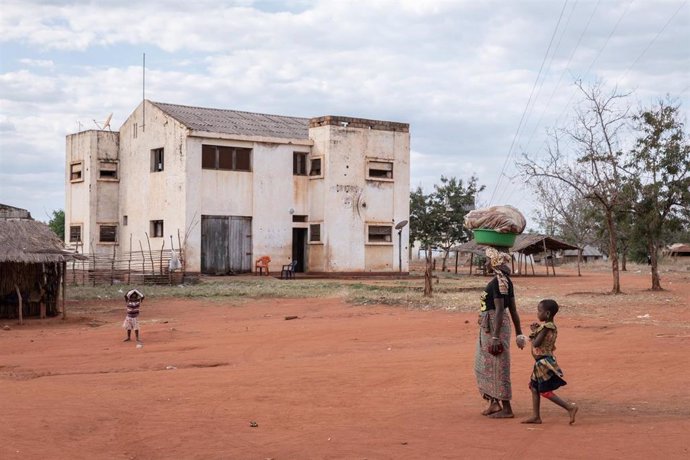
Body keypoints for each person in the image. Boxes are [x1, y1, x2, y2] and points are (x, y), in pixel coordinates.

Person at [474, 247, 526, 419]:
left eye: (488, 259)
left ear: (495, 262)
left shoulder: (498, 282)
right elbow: (513, 310)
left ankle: (507, 408)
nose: (486, 262)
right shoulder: (504, 281)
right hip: (491, 327)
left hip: (495, 329)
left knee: (498, 365)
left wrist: (495, 337)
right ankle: (494, 403)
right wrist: (518, 333)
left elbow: (499, 311)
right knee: (487, 365)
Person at [522, 299, 578, 425]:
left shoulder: (547, 327)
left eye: (539, 311)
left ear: (547, 314)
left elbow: (536, 343)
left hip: (543, 363)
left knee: (544, 391)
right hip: (540, 363)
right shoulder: (547, 327)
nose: (537, 313)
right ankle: (536, 416)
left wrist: (533, 333)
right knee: (534, 387)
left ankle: (570, 407)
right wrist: (536, 331)